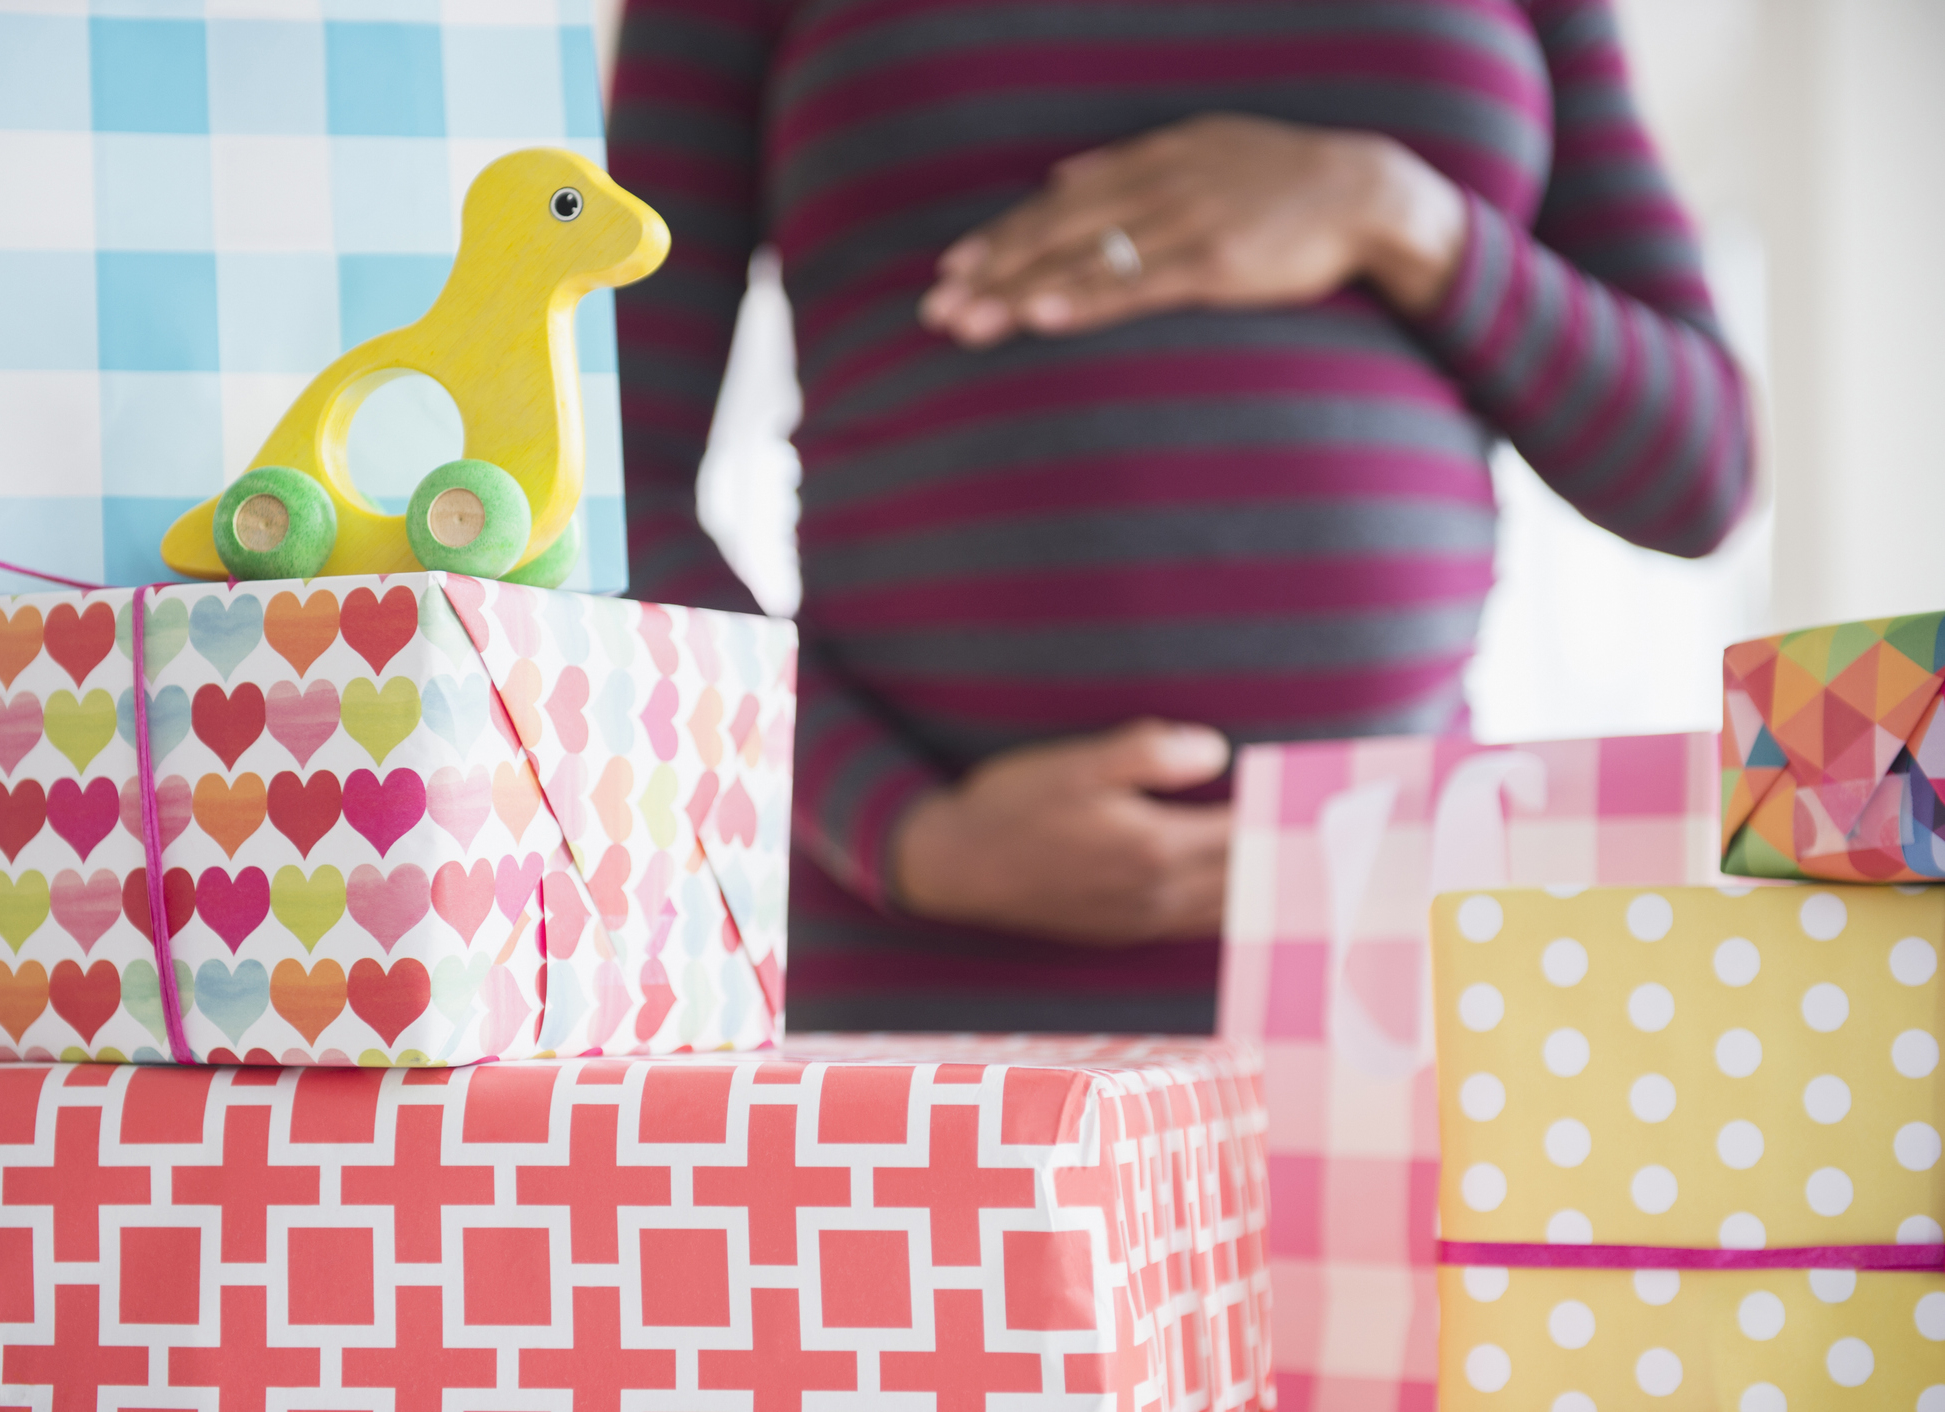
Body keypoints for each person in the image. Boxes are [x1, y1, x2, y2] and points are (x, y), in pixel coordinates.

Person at [608, 0, 1753, 1032]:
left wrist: (1399, 216)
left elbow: (1699, 469)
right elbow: (598, 487)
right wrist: (899, 827)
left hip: (1393, 959)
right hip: (911, 961)